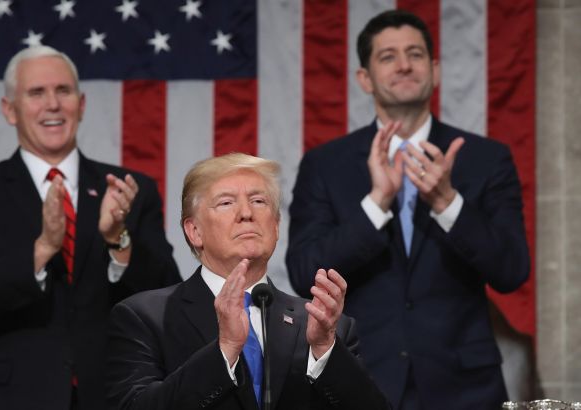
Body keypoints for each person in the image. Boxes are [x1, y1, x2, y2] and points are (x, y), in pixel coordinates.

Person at [286, 9, 530, 410]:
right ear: (364, 78)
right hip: (360, 381)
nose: (404, 65)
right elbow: (303, 273)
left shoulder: (486, 159)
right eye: (388, 56)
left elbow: (512, 270)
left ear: (434, 70)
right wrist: (376, 204)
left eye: (415, 54)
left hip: (464, 390)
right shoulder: (325, 165)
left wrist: (448, 203)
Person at [0, 46, 181, 410]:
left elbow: (166, 300)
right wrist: (41, 251)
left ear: (80, 105)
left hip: (111, 395)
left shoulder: (129, 190)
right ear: (9, 110)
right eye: (36, 93)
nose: (52, 104)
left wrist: (118, 240)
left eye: (63, 91)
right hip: (5, 397)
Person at [107, 153, 390, 410]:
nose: (246, 213)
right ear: (194, 231)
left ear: (276, 226)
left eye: (258, 201)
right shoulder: (145, 318)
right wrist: (225, 350)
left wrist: (325, 351)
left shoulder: (324, 326)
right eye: (226, 203)